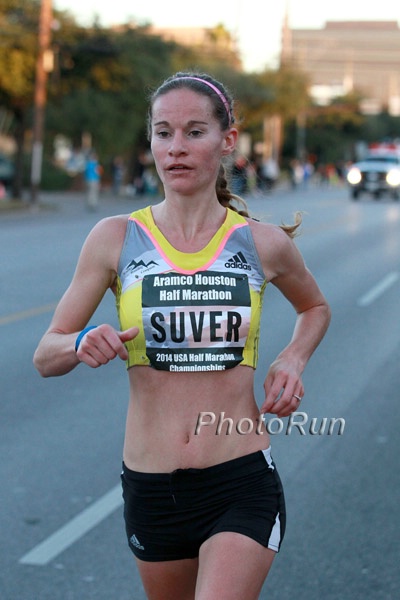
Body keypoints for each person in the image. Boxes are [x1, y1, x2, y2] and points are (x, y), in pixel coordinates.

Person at [33, 71, 331, 600]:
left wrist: (292, 358)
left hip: (239, 479)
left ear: (227, 141)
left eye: (195, 132)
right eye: (163, 132)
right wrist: (79, 345)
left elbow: (315, 307)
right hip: (151, 487)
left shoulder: (260, 244)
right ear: (149, 140)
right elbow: (45, 353)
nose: (176, 148)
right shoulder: (116, 238)